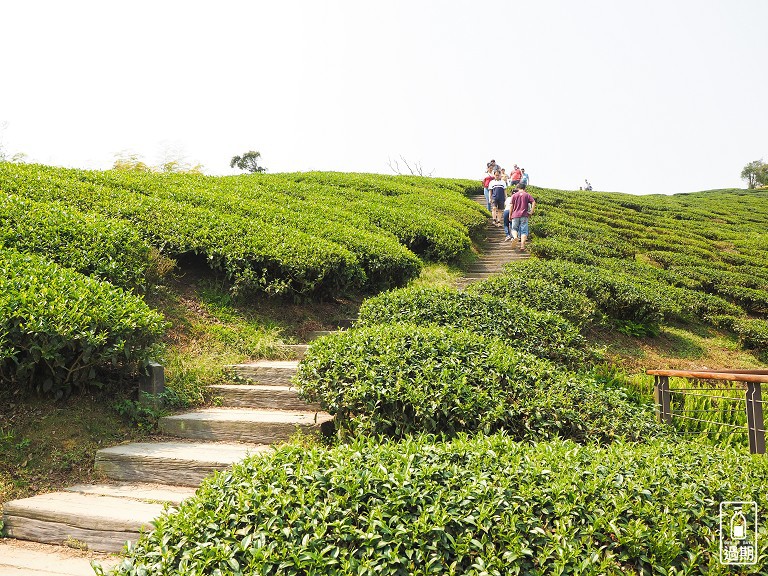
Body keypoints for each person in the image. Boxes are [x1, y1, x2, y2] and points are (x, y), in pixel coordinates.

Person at [510, 183, 536, 251]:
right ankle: (522, 246)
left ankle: (515, 237)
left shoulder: (514, 195)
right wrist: (531, 211)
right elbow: (533, 202)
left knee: (514, 229)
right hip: (524, 215)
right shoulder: (527, 195)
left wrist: (510, 215)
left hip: (515, 214)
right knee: (524, 231)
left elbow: (511, 206)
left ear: (517, 188)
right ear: (524, 188)